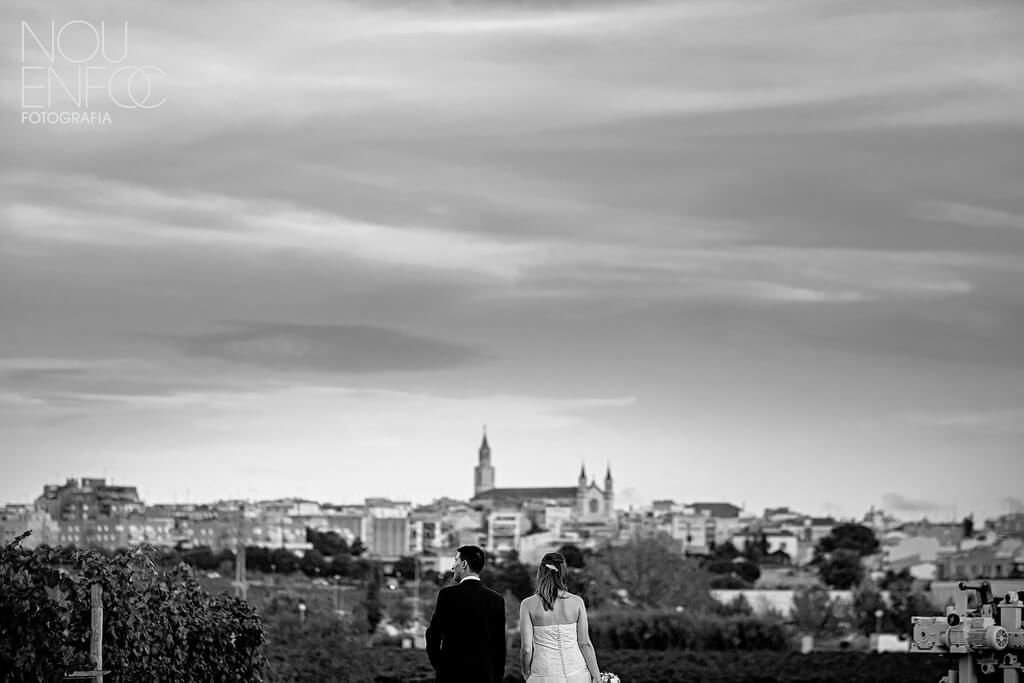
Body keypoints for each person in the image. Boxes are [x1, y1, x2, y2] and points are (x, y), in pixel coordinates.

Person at [426, 545, 507, 683]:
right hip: (484, 676)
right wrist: (496, 678)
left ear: (464, 564)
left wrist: (441, 667)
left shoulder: (447, 595)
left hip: (451, 675)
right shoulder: (496, 599)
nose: (453, 567)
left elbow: (432, 635)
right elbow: (500, 646)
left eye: (455, 561)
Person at [519, 552, 601, 683]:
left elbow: (526, 649)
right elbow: (585, 643)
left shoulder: (527, 604)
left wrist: (525, 671)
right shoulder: (577, 602)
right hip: (578, 674)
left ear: (540, 572)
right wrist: (597, 677)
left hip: (543, 676)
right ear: (563, 572)